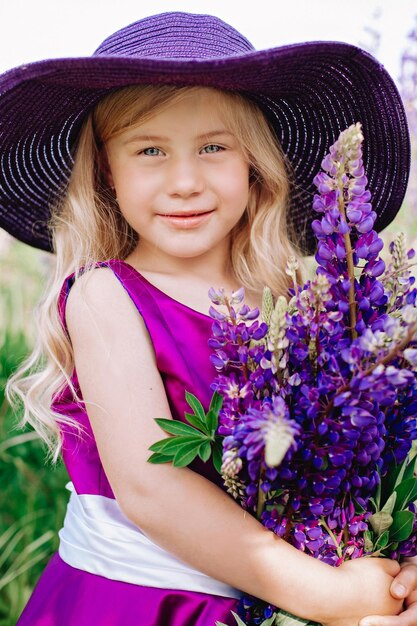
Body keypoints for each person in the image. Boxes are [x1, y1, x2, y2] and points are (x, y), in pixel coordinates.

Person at [1, 11, 416, 626]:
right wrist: (325, 597)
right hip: (142, 606)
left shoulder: (295, 300)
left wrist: (395, 569)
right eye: (149, 150)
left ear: (254, 166)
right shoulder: (105, 296)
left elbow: (357, 459)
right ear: (106, 174)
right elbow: (152, 489)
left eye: (214, 147)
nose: (186, 181)